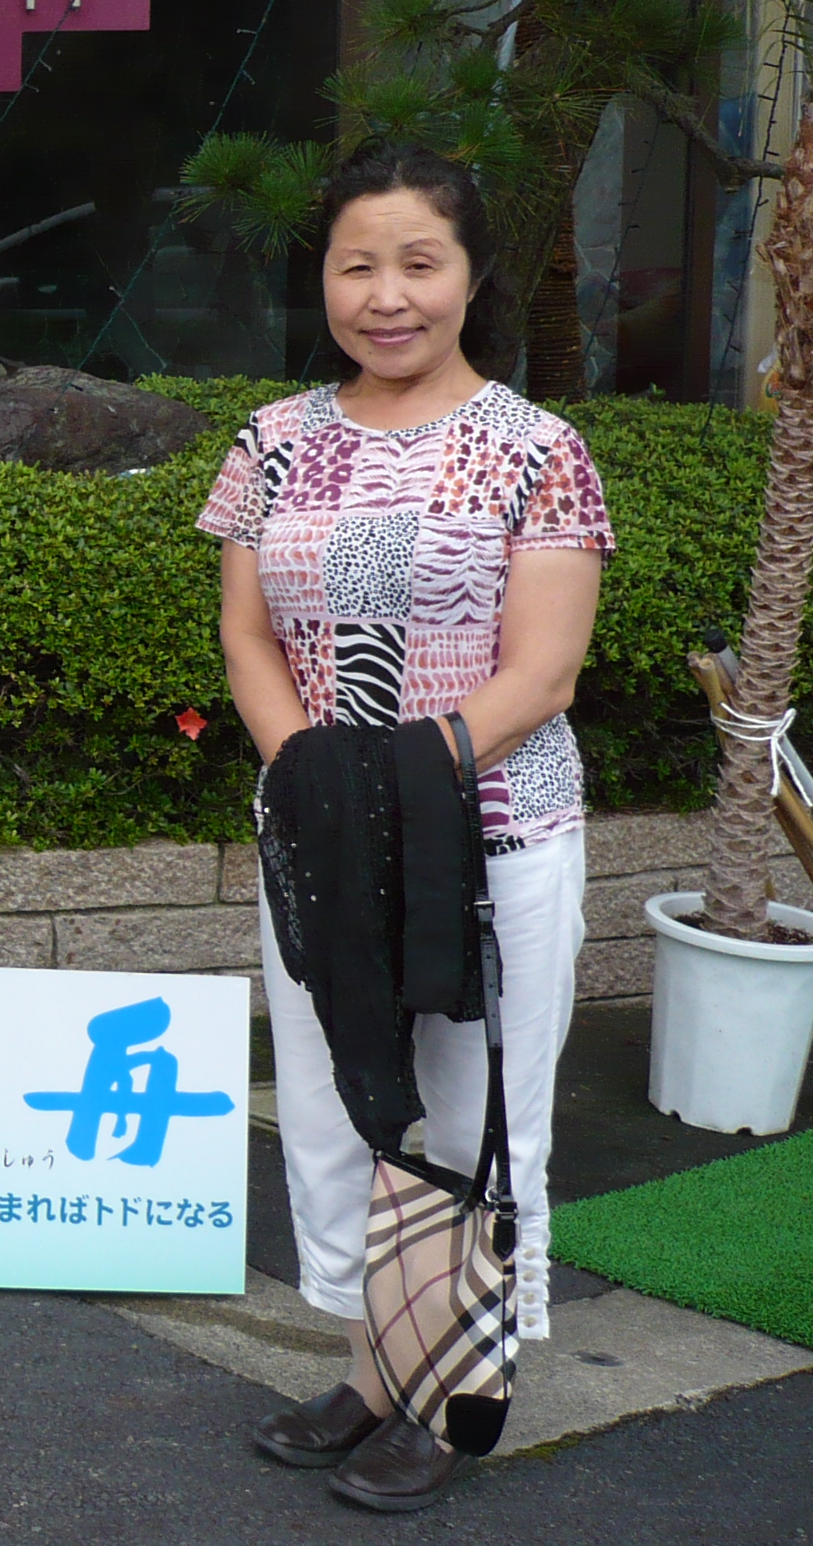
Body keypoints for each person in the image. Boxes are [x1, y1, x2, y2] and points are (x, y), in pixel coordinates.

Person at [198, 145, 611, 1514]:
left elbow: (541, 675)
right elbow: (247, 635)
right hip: (321, 843)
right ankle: (377, 1365)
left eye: (418, 264)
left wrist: (390, 778)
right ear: (322, 279)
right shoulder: (270, 440)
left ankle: (460, 1387)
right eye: (356, 266)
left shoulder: (537, 451)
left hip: (490, 839)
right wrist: (315, 780)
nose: (387, 296)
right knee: (336, 1103)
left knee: (479, 1113)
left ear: (470, 277)